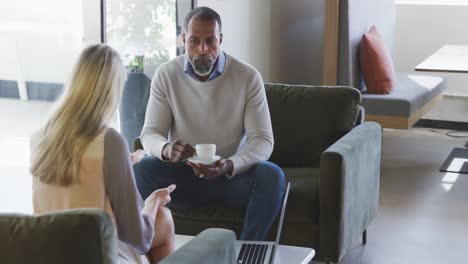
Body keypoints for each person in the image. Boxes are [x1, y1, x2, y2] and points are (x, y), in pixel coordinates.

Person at [134, 6, 286, 241]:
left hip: (230, 178)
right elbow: (150, 133)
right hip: (184, 177)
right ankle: (154, 248)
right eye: (194, 41)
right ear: (183, 39)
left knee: (272, 175)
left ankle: (246, 250)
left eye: (210, 41)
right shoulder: (166, 75)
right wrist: (167, 149)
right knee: (143, 170)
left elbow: (263, 141)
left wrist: (229, 165)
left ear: (221, 40)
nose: (202, 50)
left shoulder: (247, 77)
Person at [30, 44, 175, 264]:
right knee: (163, 218)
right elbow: (140, 238)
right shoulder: (109, 141)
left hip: (48, 252)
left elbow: (75, 185)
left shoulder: (39, 136)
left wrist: (121, 163)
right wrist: (153, 201)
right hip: (96, 255)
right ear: (112, 90)